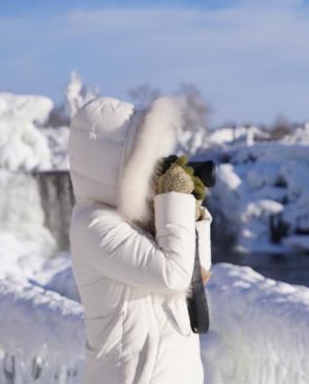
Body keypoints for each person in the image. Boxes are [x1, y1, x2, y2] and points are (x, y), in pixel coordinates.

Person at [68, 95, 213, 384]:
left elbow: (200, 275)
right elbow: (174, 276)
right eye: (146, 159)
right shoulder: (94, 225)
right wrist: (174, 197)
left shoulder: (139, 218)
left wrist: (192, 214)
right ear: (120, 166)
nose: (153, 168)